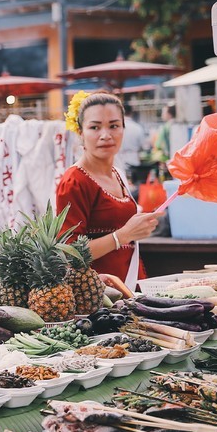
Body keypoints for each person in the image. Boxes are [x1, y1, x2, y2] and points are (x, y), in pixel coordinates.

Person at [56, 91, 163, 290]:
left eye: (114, 126)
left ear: (124, 128)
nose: (105, 135)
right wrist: (121, 236)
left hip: (130, 285)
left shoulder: (118, 174)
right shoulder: (74, 182)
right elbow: (68, 253)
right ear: (80, 132)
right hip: (98, 297)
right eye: (95, 127)